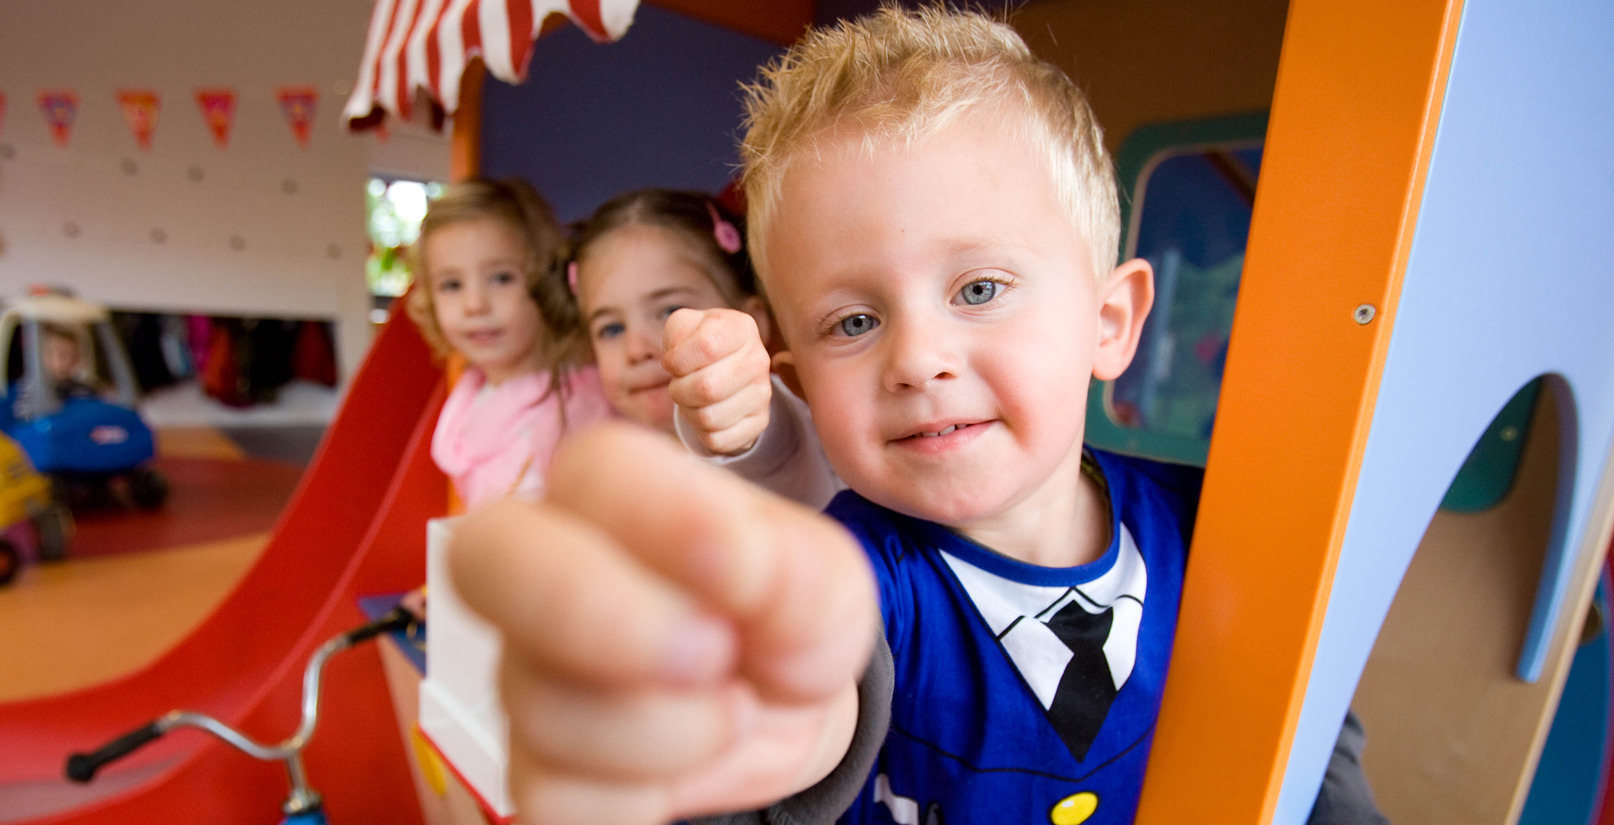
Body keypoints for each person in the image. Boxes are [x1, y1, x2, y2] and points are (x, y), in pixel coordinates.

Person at [449, 8, 1388, 825]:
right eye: (853, 321)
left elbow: (1306, 737)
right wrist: (734, 713)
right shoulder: (858, 578)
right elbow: (816, 684)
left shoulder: (1218, 530)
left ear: (1108, 324)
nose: (916, 358)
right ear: (802, 380)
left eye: (979, 286)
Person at [567, 188, 839, 508]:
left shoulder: (783, 420)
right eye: (611, 329)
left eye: (670, 312)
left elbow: (773, 446)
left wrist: (743, 431)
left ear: (751, 319)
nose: (636, 349)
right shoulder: (607, 465)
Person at [405, 178, 610, 510]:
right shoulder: (474, 393)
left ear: (546, 281)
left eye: (501, 278)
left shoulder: (572, 410)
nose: (474, 304)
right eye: (452, 284)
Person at [14, 324, 101, 419]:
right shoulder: (27, 387)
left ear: (77, 359)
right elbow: (22, 419)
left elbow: (93, 416)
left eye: (63, 354)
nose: (56, 358)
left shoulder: (84, 390)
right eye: (50, 352)